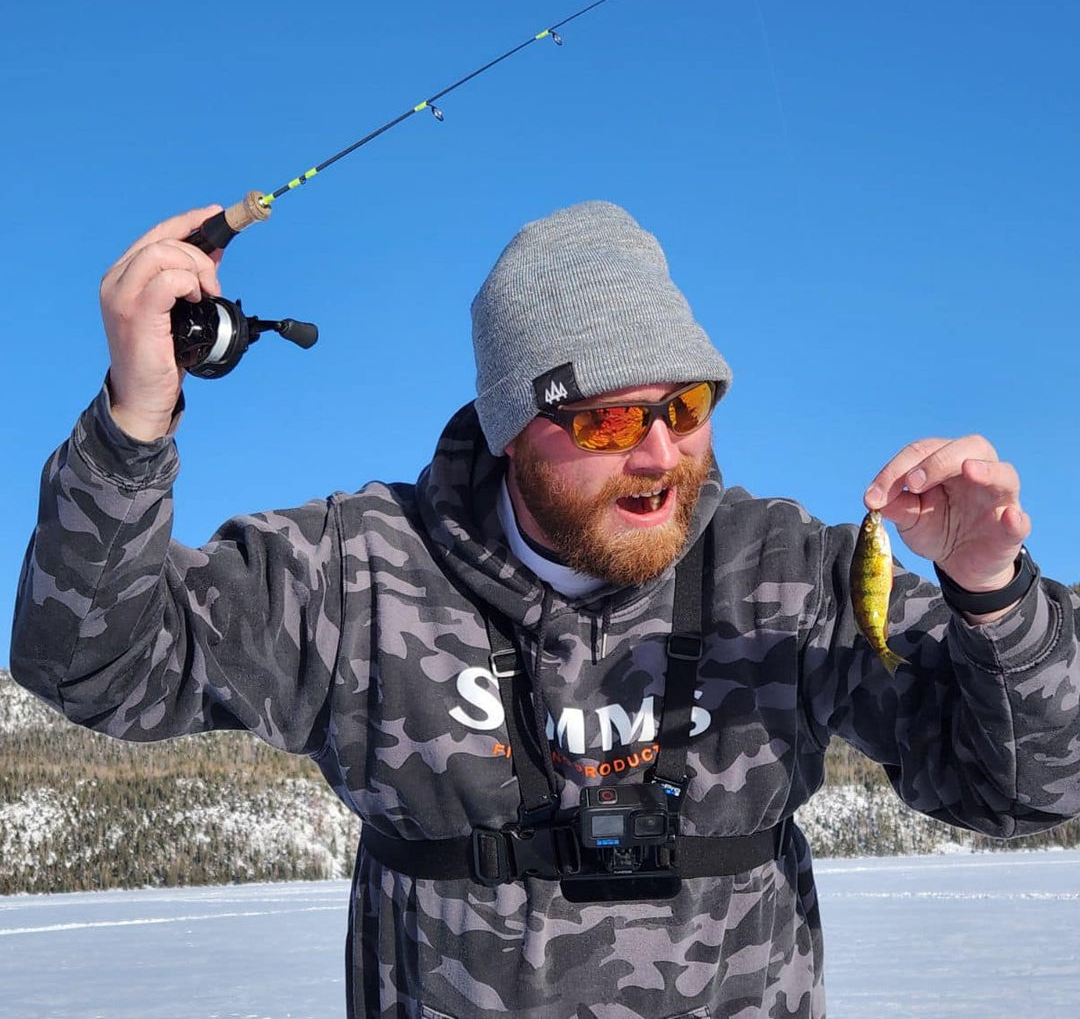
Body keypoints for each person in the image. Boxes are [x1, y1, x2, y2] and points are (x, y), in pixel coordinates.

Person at [11, 200, 1080, 1019]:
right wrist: (132, 424)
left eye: (686, 405)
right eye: (611, 418)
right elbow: (91, 665)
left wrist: (995, 595)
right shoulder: (355, 574)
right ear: (515, 427)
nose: (662, 452)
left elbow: (1030, 790)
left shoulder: (790, 573)